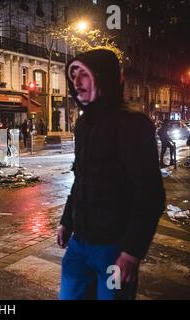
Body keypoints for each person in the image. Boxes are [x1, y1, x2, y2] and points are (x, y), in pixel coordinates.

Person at [57, 49, 165, 300]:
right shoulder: (84, 124)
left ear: (103, 77)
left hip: (114, 250)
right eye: (73, 74)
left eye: (84, 74)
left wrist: (132, 251)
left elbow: (150, 194)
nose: (76, 82)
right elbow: (80, 179)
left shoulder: (132, 124)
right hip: (79, 245)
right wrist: (66, 221)